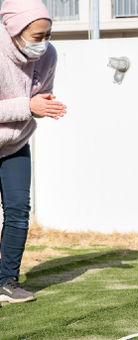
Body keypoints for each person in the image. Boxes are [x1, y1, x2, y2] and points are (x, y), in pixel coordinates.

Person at [0, 0, 67, 305]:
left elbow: (38, 96)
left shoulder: (48, 55)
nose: (44, 43)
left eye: (47, 35)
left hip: (16, 143)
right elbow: (27, 105)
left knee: (18, 211)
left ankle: (7, 282)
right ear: (15, 30)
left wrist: (43, 104)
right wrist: (28, 106)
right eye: (37, 37)